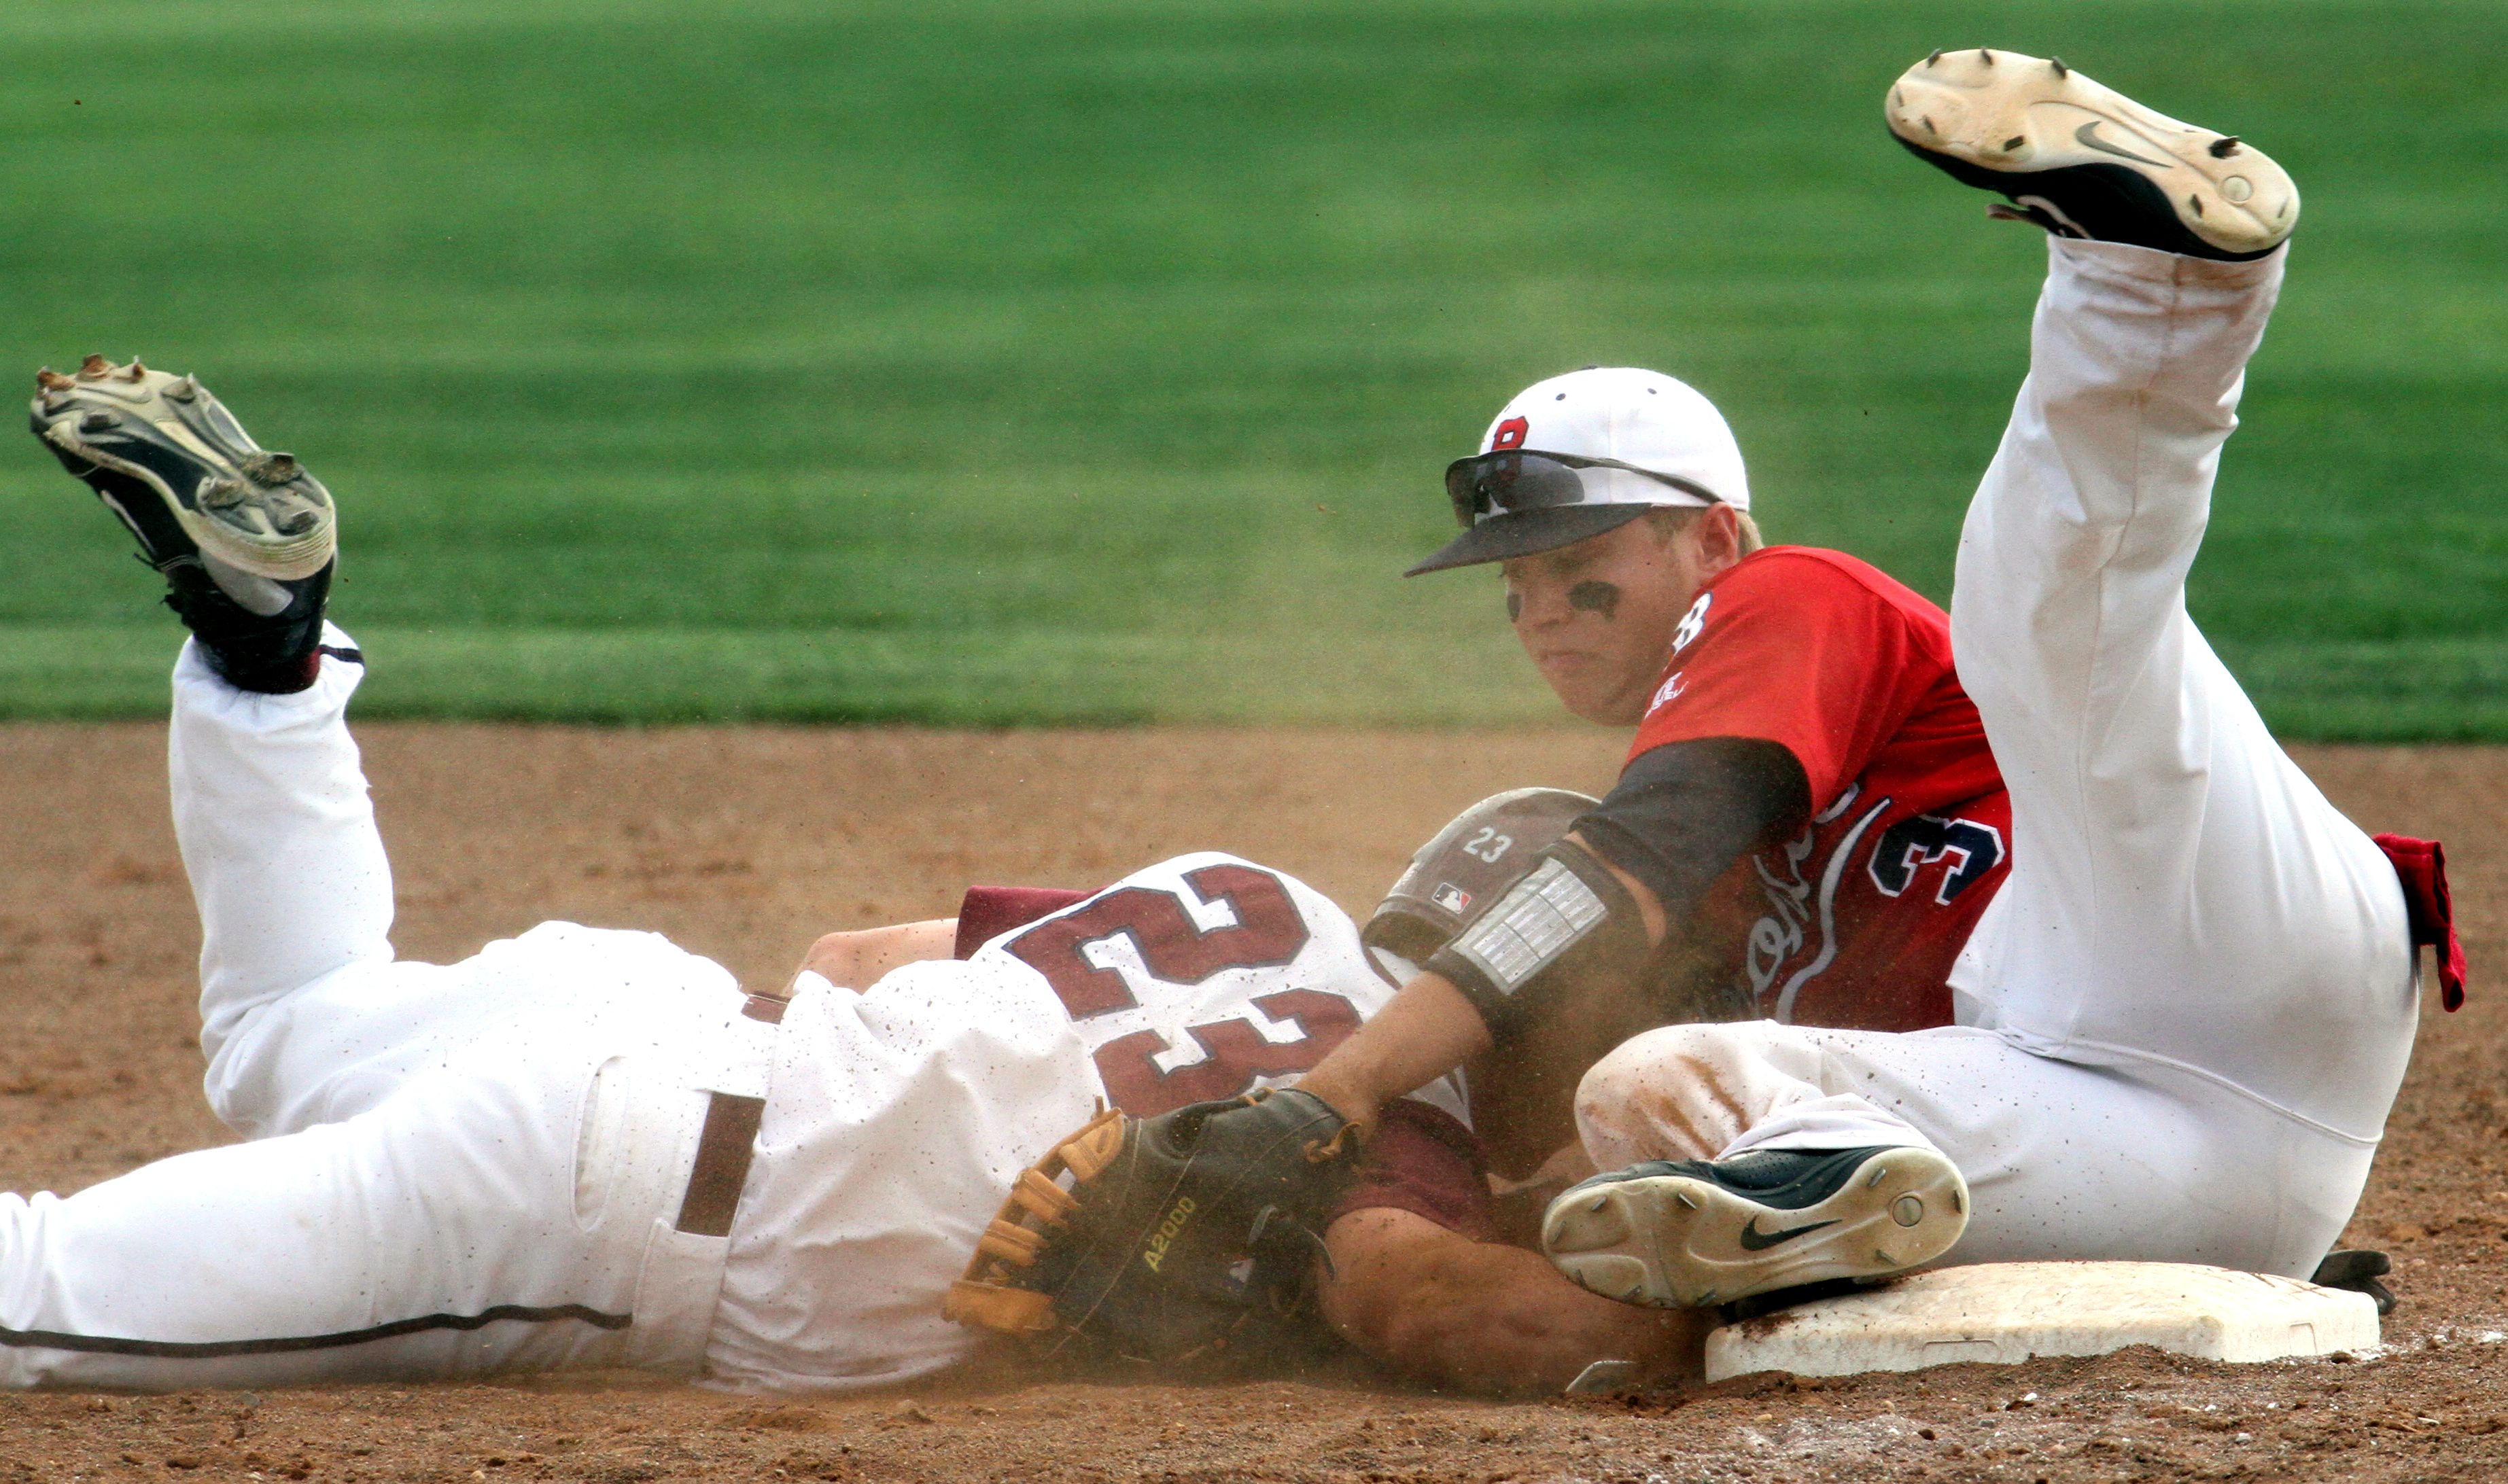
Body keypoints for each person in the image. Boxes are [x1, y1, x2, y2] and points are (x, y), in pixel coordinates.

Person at [7, 361, 1670, 1394]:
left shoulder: (1259, 894)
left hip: (650, 1013)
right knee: (37, 1300)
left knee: (293, 1027)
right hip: (604, 1200)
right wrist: (1724, 1325)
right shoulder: (1410, 1136)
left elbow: (855, 954)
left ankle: (266, 656)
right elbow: (1426, 1302)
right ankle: (262, 652)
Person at [1198, 50, 2462, 1347]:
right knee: (1656, 1091)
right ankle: (1882, 1237)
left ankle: (2153, 285)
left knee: (2053, 629)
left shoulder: (1784, 601)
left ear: (1713, 542)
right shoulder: (1750, 948)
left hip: (2187, 932)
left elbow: (1625, 859)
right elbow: (1578, 1187)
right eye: (1515, 588)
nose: (1539, 614)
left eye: (1581, 569)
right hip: (2174, 1167)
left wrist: (1333, 1092)